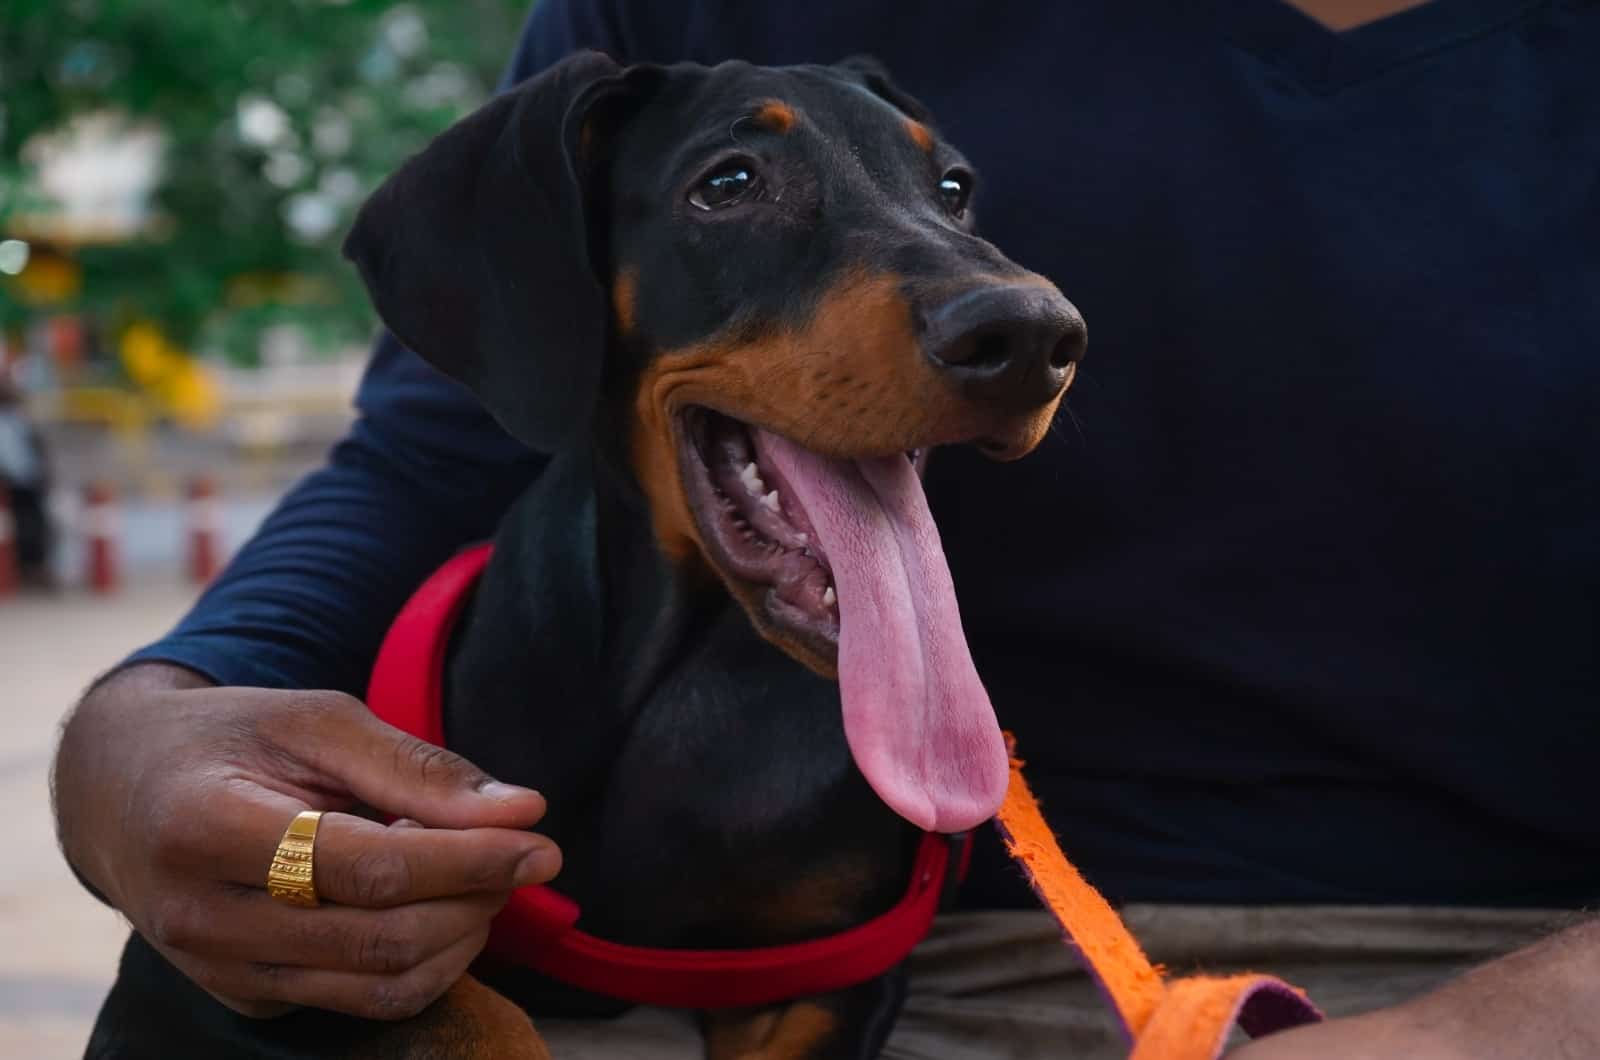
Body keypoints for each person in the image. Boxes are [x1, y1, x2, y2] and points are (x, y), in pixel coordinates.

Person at [52, 0, 1599, 1055]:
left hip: (1530, 971)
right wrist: (150, 725)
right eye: (737, 183)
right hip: (805, 971)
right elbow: (456, 441)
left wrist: (1486, 1029)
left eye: (950, 197)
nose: (1016, 309)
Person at [0, 378, 53, 585]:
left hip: (29, 481)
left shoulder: (18, 419)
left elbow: (37, 447)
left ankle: (34, 569)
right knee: (19, 528)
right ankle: (24, 570)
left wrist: (44, 473)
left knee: (36, 526)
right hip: (13, 484)